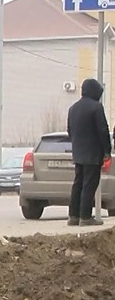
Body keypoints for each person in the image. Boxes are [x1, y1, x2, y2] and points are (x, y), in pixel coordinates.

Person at [66, 78, 112, 227]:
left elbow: (70, 131)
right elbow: (103, 130)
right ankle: (85, 217)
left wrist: (77, 144)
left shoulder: (73, 108)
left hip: (78, 152)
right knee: (89, 184)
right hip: (93, 153)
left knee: (78, 183)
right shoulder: (96, 107)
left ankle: (73, 216)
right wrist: (106, 151)